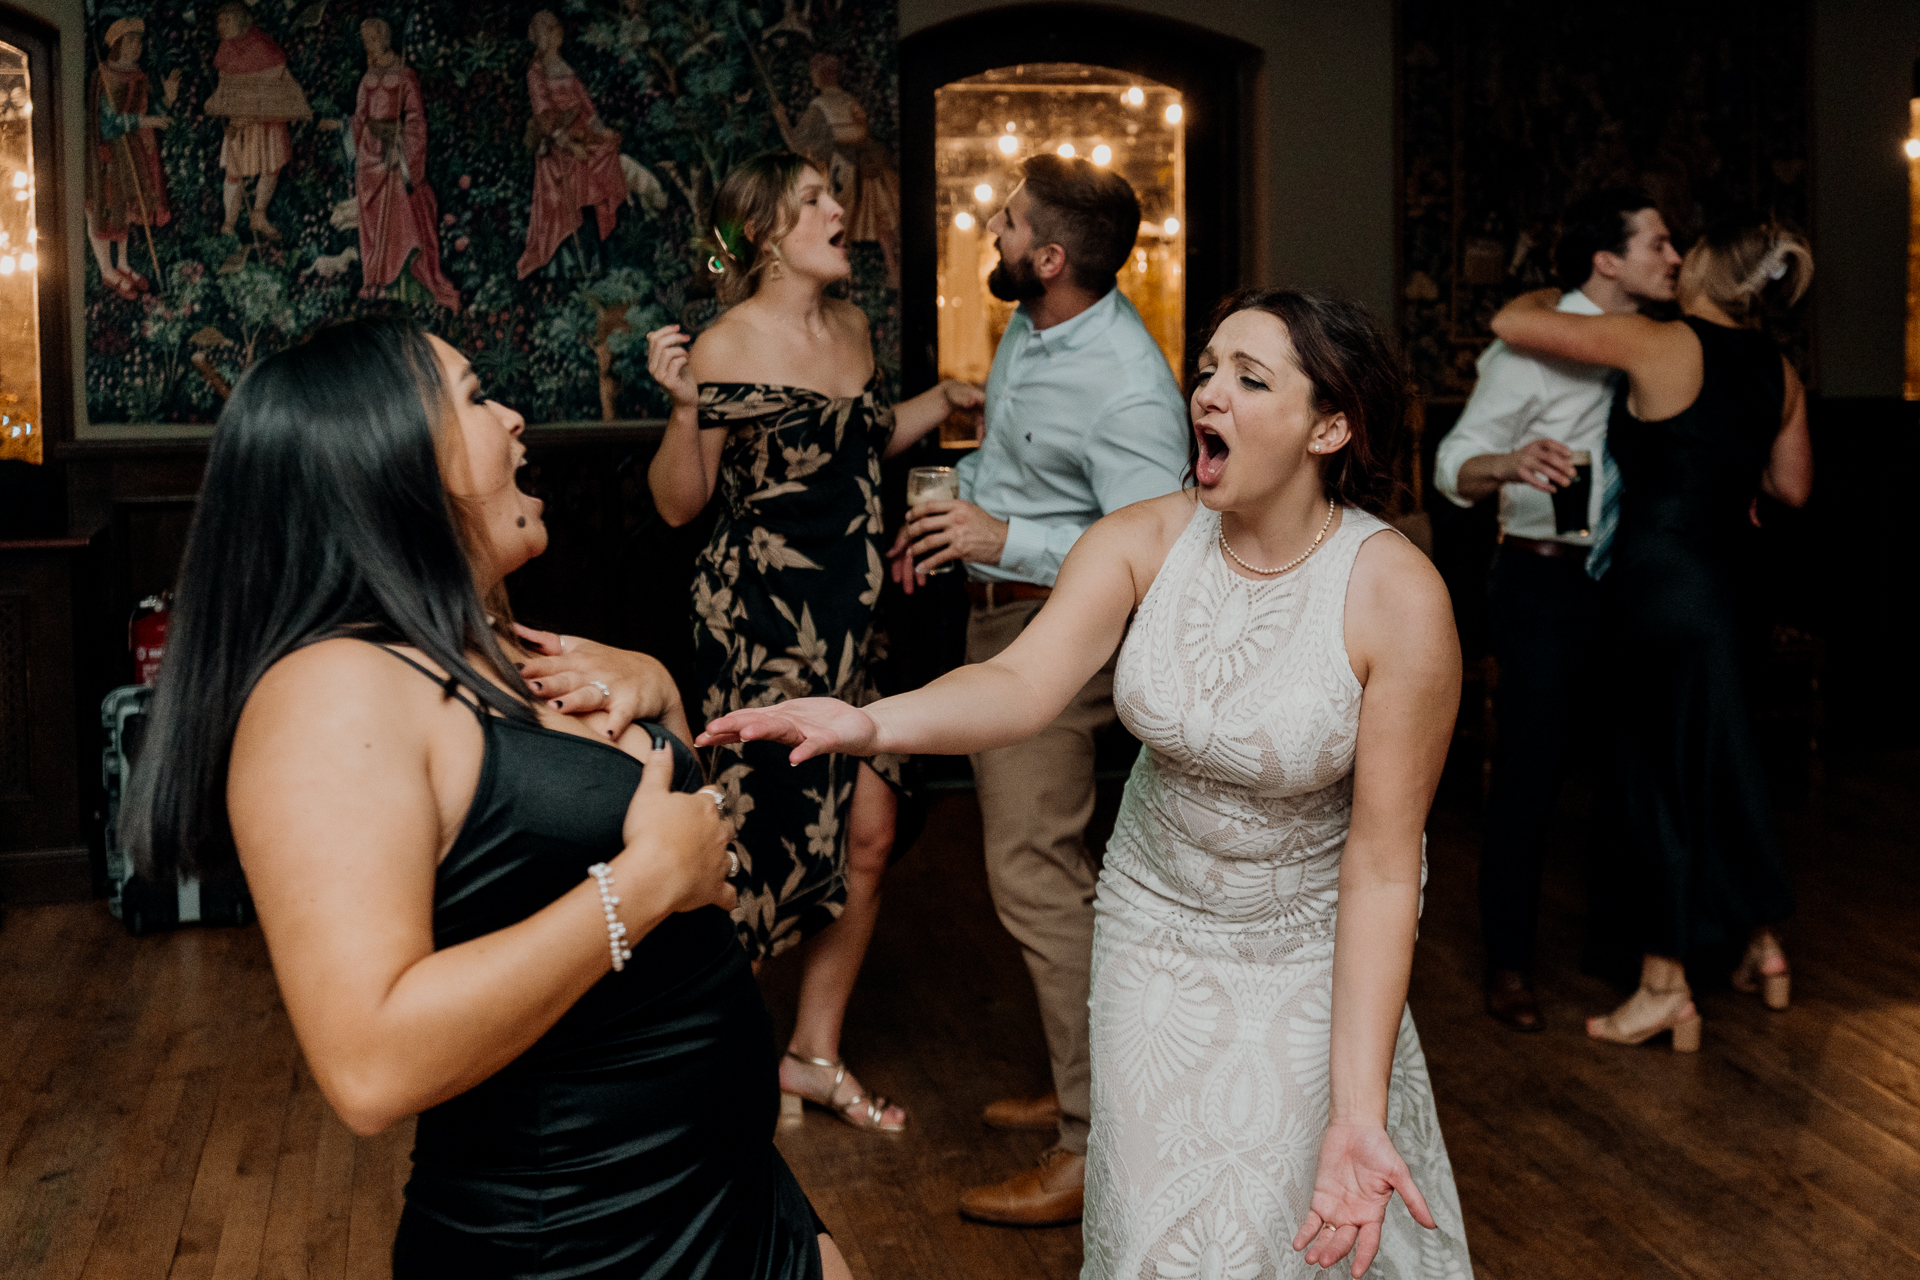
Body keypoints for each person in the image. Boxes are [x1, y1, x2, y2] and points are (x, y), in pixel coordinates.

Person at [704, 287, 1475, 1279]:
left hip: (1308, 954)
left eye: (1250, 378)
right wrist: (868, 720)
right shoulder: (1143, 540)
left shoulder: (1397, 596)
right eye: (1206, 371)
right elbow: (1022, 682)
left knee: (1306, 1229)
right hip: (1152, 936)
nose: (1209, 394)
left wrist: (1358, 1111)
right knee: (1160, 1229)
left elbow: (1380, 867)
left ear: (1330, 424)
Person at [121, 316, 853, 1280]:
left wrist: (666, 694)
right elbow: (371, 1068)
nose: (515, 419)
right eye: (475, 396)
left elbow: (681, 868)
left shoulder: (498, 647)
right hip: (576, 1242)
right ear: (388, 457)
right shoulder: (332, 693)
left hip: (734, 1195)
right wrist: (642, 885)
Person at [644, 151, 983, 1132]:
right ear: (765, 236)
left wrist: (945, 397)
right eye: (817, 201)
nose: (842, 209)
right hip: (757, 626)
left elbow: (854, 440)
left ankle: (812, 1052)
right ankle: (717, 1063)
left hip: (858, 621)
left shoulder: (854, 327)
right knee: (762, 846)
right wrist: (680, 406)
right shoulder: (723, 343)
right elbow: (678, 503)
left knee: (870, 834)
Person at [888, 153, 1189, 1226]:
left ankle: (1093, 1140)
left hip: (1061, 631)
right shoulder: (1034, 325)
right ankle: (1083, 1082)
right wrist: (952, 515)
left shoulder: (1126, 385)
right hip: (995, 606)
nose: (995, 237)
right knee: (1043, 872)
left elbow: (1156, 546)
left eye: (1009, 224)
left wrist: (1004, 535)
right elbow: (1012, 465)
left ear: (1050, 259)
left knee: (1032, 871)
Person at [1490, 216, 1814, 1051]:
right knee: (1717, 761)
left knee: (1656, 778)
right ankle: (1763, 947)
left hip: (1662, 584)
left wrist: (1553, 281)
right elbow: (1792, 488)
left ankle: (1665, 986)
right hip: (1736, 588)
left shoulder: (1658, 341)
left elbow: (1513, 324)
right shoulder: (1779, 370)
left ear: (1708, 271)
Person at [1432, 189, 1681, 1031]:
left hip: (1633, 580)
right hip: (1544, 578)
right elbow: (1451, 463)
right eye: (1658, 242)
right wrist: (1508, 460)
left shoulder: (1651, 343)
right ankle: (1508, 962)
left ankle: (1620, 949)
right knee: (1532, 774)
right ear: (1606, 260)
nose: (1673, 256)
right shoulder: (1530, 354)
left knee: (1633, 769)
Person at [347, 18, 460, 311]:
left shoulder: (404, 75)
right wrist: (357, 144)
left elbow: (416, 119)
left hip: (396, 154)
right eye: (364, 40)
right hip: (371, 155)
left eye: (372, 38)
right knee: (374, 220)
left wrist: (404, 151)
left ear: (384, 39)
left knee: (401, 217)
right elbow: (360, 117)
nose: (368, 45)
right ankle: (379, 281)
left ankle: (407, 286)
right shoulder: (368, 78)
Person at [517, 10, 626, 279]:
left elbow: (587, 109)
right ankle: (578, 264)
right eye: (544, 30)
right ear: (536, 37)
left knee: (599, 176)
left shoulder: (566, 68)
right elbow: (544, 113)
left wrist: (604, 131)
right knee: (572, 203)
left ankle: (598, 260)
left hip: (580, 141)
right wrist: (565, 143)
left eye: (553, 29)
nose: (551, 35)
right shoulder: (536, 72)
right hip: (557, 149)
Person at [85, 18, 179, 300]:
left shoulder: (138, 76)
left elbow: (148, 111)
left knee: (125, 206)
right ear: (118, 44)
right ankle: (106, 269)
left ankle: (123, 263)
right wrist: (148, 119)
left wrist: (168, 100)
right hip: (107, 153)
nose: (138, 46)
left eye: (140, 40)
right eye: (132, 40)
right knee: (105, 206)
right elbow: (108, 124)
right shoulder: (104, 76)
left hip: (131, 151)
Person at [203, 2, 310, 242]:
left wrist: (246, 116)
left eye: (226, 20)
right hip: (239, 124)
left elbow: (275, 89)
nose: (221, 26)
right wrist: (217, 103)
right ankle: (229, 226)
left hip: (267, 121)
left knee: (271, 168)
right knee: (234, 172)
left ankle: (258, 215)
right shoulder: (226, 49)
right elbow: (226, 86)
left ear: (241, 19)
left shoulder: (263, 48)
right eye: (219, 21)